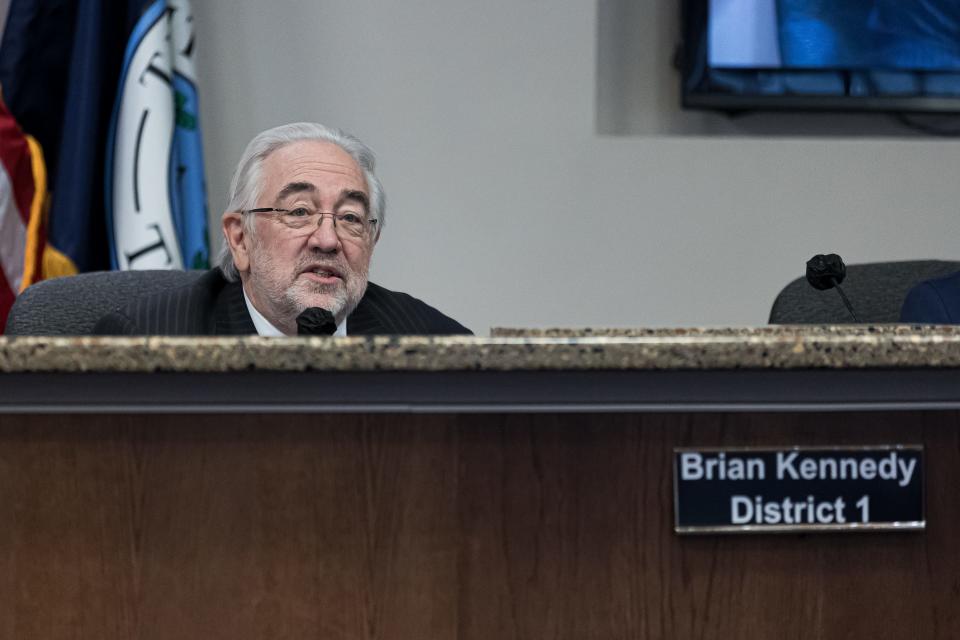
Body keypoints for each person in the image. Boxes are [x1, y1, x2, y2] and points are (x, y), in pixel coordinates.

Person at [94, 122, 471, 336]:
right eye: (300, 211)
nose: (327, 240)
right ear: (240, 239)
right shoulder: (147, 343)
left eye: (351, 219)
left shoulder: (435, 345)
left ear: (371, 241)